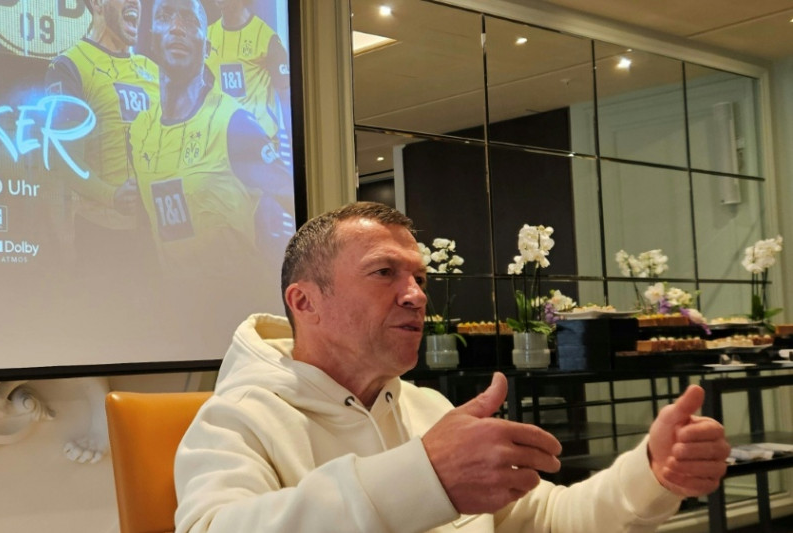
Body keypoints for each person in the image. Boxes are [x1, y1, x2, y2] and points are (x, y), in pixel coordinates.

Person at [173, 201, 731, 533]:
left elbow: (548, 519)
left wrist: (652, 473)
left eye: (419, 277)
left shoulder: (427, 408)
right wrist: (423, 476)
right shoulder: (236, 421)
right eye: (384, 273)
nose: (417, 295)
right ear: (305, 302)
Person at [127, 0, 294, 272]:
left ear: (206, 49)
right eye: (166, 17)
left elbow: (292, 197)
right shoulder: (139, 131)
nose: (177, 28)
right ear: (151, 40)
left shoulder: (235, 124)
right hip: (172, 294)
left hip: (236, 292)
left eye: (189, 20)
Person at [45, 0, 158, 270]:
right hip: (104, 240)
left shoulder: (153, 70)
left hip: (157, 237)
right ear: (97, 3)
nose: (135, 3)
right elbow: (63, 159)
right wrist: (113, 196)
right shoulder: (68, 66)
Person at [206, 0, 291, 161]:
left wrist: (296, 152)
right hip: (220, 149)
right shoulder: (206, 37)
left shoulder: (267, 38)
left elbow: (286, 98)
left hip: (259, 147)